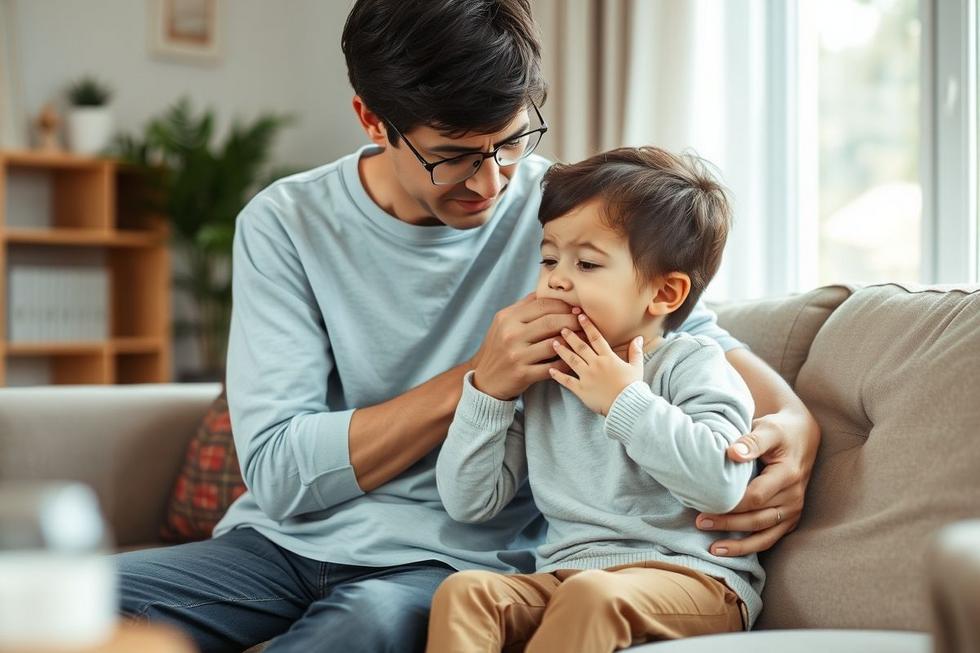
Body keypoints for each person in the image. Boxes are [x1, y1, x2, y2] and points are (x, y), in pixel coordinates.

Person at [116, 2, 819, 652]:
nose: (490, 183)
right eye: (452, 156)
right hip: (277, 547)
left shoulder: (567, 214)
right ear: (371, 119)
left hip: (455, 557)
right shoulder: (285, 224)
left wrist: (795, 421)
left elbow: (683, 336)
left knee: (361, 626)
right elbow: (277, 472)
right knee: (72, 603)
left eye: (510, 143)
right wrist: (480, 378)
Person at [427, 147, 762, 653]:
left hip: (694, 581)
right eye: (549, 259)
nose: (557, 278)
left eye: (586, 263)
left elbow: (721, 484)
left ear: (664, 294)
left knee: (592, 594)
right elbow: (469, 502)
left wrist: (623, 399)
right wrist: (491, 393)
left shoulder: (693, 362)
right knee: (466, 592)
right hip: (569, 578)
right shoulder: (544, 375)